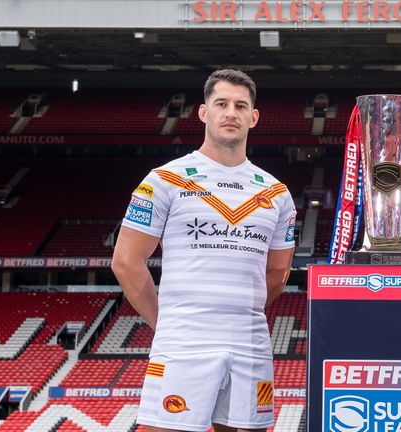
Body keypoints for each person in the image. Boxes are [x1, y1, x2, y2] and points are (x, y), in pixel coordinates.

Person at [112, 69, 296, 432]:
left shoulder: (278, 193)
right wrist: (165, 323)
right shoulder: (164, 179)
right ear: (203, 112)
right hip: (184, 341)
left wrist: (237, 315)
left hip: (250, 344)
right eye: (222, 104)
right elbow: (126, 261)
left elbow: (277, 274)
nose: (231, 113)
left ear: (253, 117)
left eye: (241, 105)